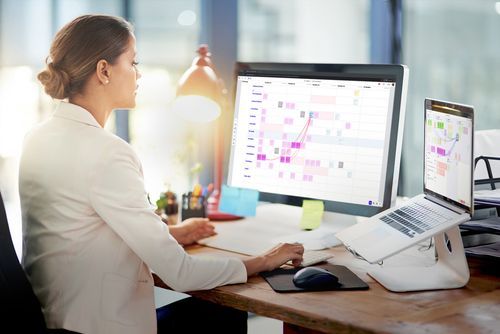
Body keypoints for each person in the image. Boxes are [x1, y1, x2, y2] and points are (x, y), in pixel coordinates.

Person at [19, 14, 304, 334]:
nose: (139, 75)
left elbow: (82, 231)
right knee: (221, 314)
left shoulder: (37, 138)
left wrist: (172, 234)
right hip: (101, 327)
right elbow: (181, 273)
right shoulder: (107, 153)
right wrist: (264, 260)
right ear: (103, 71)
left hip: (58, 318)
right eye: (133, 61)